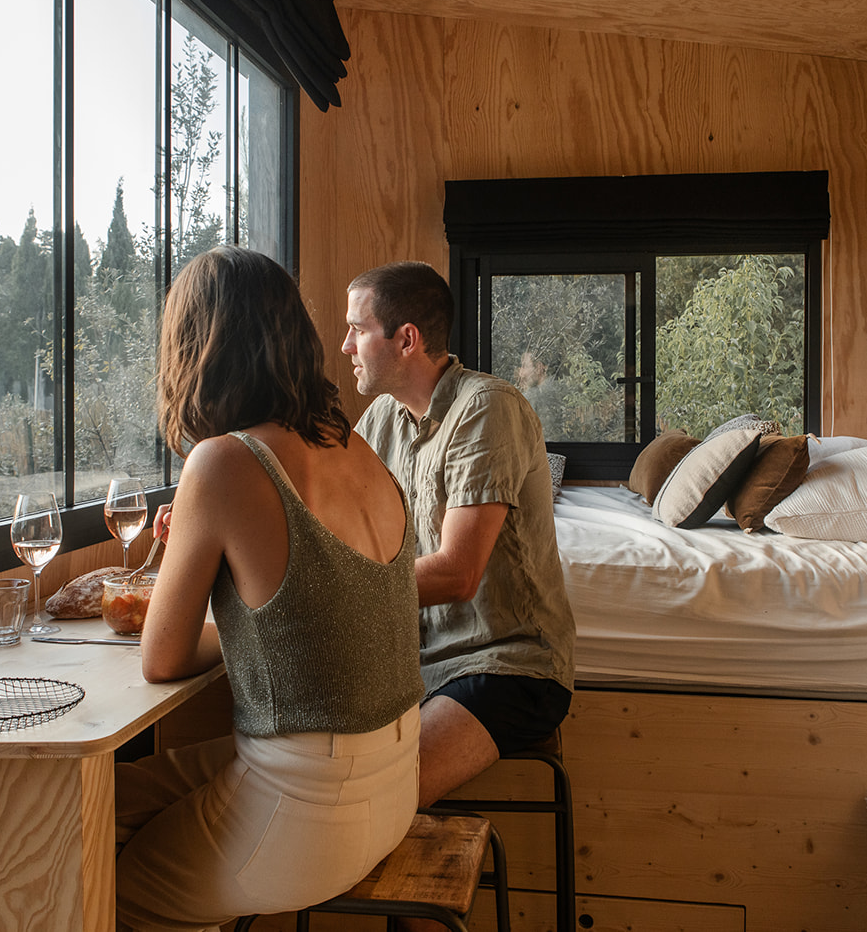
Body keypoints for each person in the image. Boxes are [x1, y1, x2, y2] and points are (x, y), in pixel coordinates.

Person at [115, 247, 424, 932]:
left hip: (311, 808)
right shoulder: (357, 446)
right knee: (106, 800)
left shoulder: (223, 460)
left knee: (105, 888)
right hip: (396, 782)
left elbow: (159, 657)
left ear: (197, 348)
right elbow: (315, 615)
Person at [342, 260, 575, 808]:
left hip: (506, 665)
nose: (346, 346)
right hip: (416, 663)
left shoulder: (487, 408)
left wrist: (335, 593)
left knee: (374, 798)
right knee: (309, 769)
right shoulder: (381, 418)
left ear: (406, 340)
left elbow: (458, 572)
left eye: (356, 329)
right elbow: (321, 505)